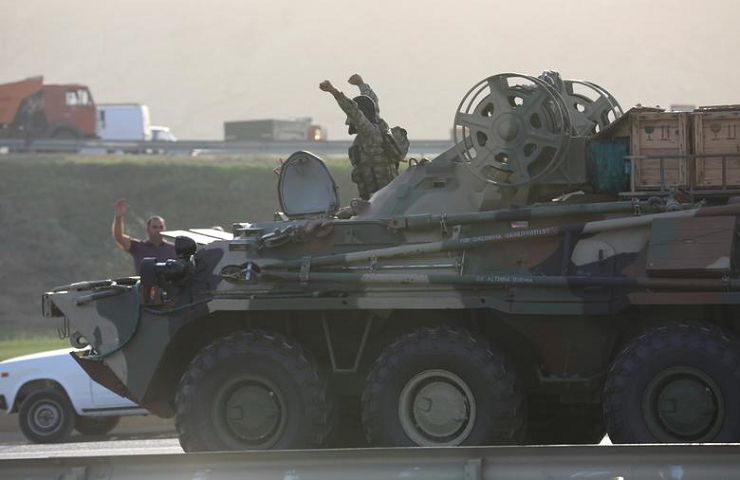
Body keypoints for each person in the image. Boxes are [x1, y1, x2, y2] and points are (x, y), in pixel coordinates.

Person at [320, 74, 398, 200]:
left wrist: (333, 91)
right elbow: (371, 101)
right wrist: (361, 84)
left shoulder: (369, 134)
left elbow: (354, 112)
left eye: (349, 119)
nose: (347, 122)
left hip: (382, 197)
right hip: (379, 196)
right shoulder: (376, 128)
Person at [112, 198, 176, 274]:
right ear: (148, 229)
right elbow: (118, 237)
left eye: (161, 227)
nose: (158, 230)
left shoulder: (174, 249)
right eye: (155, 227)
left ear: (165, 229)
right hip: (144, 285)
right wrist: (119, 217)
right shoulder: (138, 247)